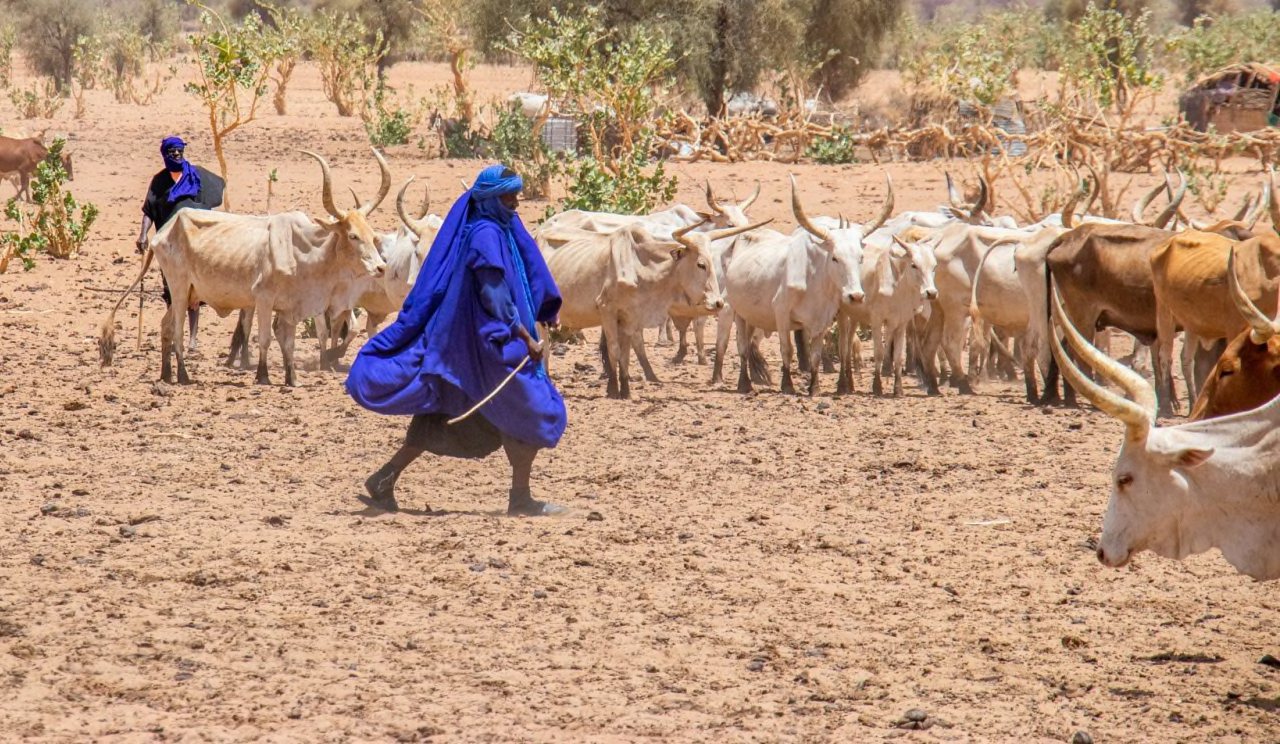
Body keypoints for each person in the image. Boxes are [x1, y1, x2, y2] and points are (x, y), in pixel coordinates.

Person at [345, 164, 567, 516]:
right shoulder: (484, 235)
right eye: (508, 196)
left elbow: (526, 270)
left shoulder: (501, 227)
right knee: (532, 405)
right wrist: (525, 336)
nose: (515, 203)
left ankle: (385, 477)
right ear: (490, 199)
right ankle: (520, 499)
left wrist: (543, 309)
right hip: (487, 343)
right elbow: (494, 293)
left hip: (469, 342)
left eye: (516, 195)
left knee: (448, 412)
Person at [135, 136, 225, 349]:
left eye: (178, 151)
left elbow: (214, 198)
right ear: (165, 155)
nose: (176, 155)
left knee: (195, 290)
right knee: (172, 289)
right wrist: (143, 234)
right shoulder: (159, 182)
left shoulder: (196, 176)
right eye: (171, 152)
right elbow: (149, 211)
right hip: (169, 245)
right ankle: (176, 332)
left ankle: (192, 338)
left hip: (195, 244)